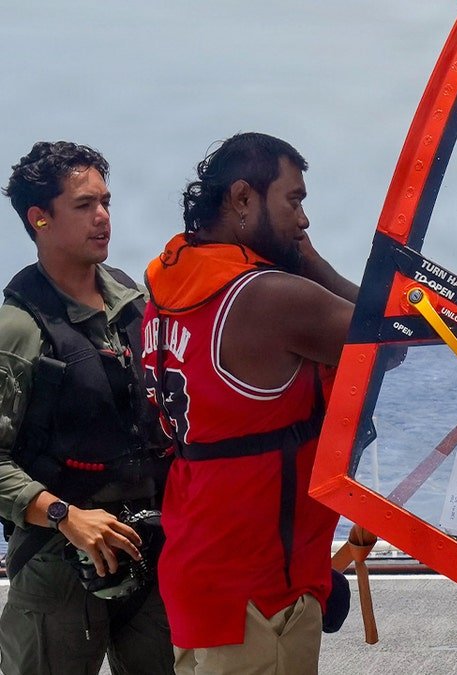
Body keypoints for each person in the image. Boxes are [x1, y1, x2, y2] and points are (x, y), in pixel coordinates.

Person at [142, 132, 358, 674]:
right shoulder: (266, 296)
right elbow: (389, 340)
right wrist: (307, 258)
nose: (303, 220)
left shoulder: (169, 285)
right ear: (243, 198)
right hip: (261, 594)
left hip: (198, 570)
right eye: (294, 200)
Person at [0, 141, 174, 674]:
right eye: (83, 205)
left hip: (152, 551)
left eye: (106, 202)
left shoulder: (136, 305)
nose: (102, 217)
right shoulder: (18, 331)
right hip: (59, 564)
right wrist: (65, 516)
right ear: (40, 218)